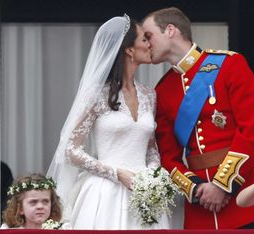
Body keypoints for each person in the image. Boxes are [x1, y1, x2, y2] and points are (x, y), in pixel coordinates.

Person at [142, 7, 254, 229]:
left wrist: (222, 185)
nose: (145, 43)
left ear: (170, 30)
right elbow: (167, 156)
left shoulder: (229, 65)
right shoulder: (162, 90)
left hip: (242, 197)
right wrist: (196, 188)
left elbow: (252, 130)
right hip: (200, 206)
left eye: (149, 35)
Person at [47, 15, 170, 229]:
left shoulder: (149, 95)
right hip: (105, 192)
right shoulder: (96, 95)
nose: (150, 44)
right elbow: (70, 149)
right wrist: (116, 173)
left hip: (144, 194)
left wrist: (152, 176)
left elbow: (151, 148)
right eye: (144, 40)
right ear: (129, 50)